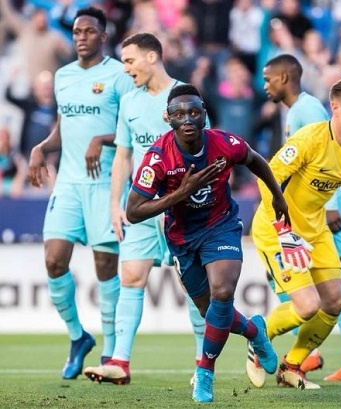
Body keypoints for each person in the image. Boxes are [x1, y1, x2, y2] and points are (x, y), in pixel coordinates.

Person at [126, 83, 288, 402]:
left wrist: (277, 195)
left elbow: (255, 160)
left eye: (193, 112)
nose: (187, 118)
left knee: (223, 292)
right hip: (182, 238)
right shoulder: (157, 158)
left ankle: (205, 370)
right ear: (168, 118)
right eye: (178, 113)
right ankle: (255, 331)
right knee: (211, 311)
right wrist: (179, 195)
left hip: (221, 225)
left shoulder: (223, 143)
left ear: (204, 115)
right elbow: (133, 211)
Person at [83, 32, 205, 386]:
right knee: (132, 277)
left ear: (152, 57)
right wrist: (115, 205)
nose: (126, 69)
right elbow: (123, 155)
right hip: (140, 208)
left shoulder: (185, 98)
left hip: (182, 209)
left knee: (192, 287)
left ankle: (202, 365)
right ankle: (120, 361)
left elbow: (206, 150)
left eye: (131, 60)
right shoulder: (130, 102)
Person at [28, 7, 134, 380]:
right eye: (76, 31)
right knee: (54, 260)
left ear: (103, 37)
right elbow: (64, 127)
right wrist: (42, 147)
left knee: (105, 267)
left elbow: (131, 129)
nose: (81, 37)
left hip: (107, 183)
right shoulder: (63, 76)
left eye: (89, 31)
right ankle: (78, 337)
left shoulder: (119, 76)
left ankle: (109, 352)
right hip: (70, 184)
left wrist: (102, 139)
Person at [246, 54, 341, 387]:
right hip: (278, 228)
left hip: (315, 226)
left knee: (335, 301)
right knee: (307, 306)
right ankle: (256, 338)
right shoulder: (310, 135)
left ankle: (292, 364)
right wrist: (284, 230)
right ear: (335, 108)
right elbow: (266, 178)